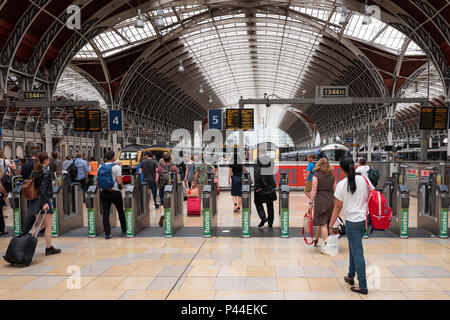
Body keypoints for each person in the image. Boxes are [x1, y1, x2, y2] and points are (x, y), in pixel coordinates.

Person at [329, 156, 371, 295]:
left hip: (352, 222)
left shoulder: (342, 184)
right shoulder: (364, 179)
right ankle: (350, 276)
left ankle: (363, 285)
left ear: (341, 169)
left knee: (357, 251)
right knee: (354, 248)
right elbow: (372, 194)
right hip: (364, 220)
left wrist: (331, 224)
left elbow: (337, 206)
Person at [27, 152, 61, 255]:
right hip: (43, 201)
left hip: (35, 201)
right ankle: (48, 247)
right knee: (48, 225)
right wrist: (45, 202)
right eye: (48, 159)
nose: (49, 161)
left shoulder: (35, 172)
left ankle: (27, 238)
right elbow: (43, 190)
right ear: (45, 160)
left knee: (40, 224)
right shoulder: (45, 172)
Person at [97, 151, 127, 239]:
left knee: (105, 213)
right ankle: (124, 228)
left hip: (104, 192)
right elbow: (119, 182)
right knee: (120, 210)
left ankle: (107, 233)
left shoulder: (100, 167)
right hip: (115, 192)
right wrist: (121, 179)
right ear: (113, 157)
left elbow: (98, 182)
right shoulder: (117, 167)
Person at [309, 158, 336, 247]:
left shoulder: (316, 175)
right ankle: (316, 239)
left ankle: (327, 246)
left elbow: (314, 190)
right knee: (323, 221)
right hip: (330, 200)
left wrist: (310, 202)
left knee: (323, 224)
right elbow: (335, 190)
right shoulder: (332, 176)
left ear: (318, 165)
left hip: (321, 201)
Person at [254, 148, 277, 228]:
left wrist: (257, 186)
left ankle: (263, 217)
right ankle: (270, 222)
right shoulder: (271, 160)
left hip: (261, 186)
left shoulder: (257, 160)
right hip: (270, 185)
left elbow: (257, 173)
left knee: (257, 201)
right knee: (270, 204)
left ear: (259, 152)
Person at [156, 152, 178, 227]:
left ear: (163, 159)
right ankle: (170, 218)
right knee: (171, 202)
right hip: (171, 187)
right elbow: (176, 178)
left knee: (162, 202)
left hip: (162, 187)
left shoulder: (159, 168)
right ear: (170, 159)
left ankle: (162, 214)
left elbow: (156, 179)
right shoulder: (173, 167)